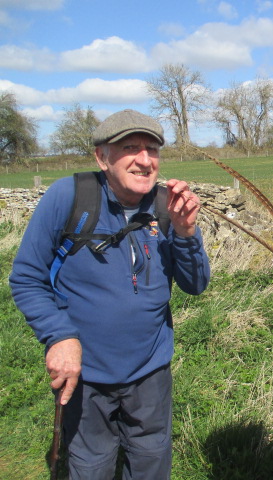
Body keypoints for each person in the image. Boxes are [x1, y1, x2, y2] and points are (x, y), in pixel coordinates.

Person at [10, 109, 210, 479]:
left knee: (151, 459)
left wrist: (185, 233)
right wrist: (60, 336)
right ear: (102, 157)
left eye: (152, 149)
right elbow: (26, 277)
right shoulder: (70, 197)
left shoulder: (167, 206)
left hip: (151, 369)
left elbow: (196, 284)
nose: (145, 159)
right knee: (91, 464)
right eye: (130, 147)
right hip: (87, 370)